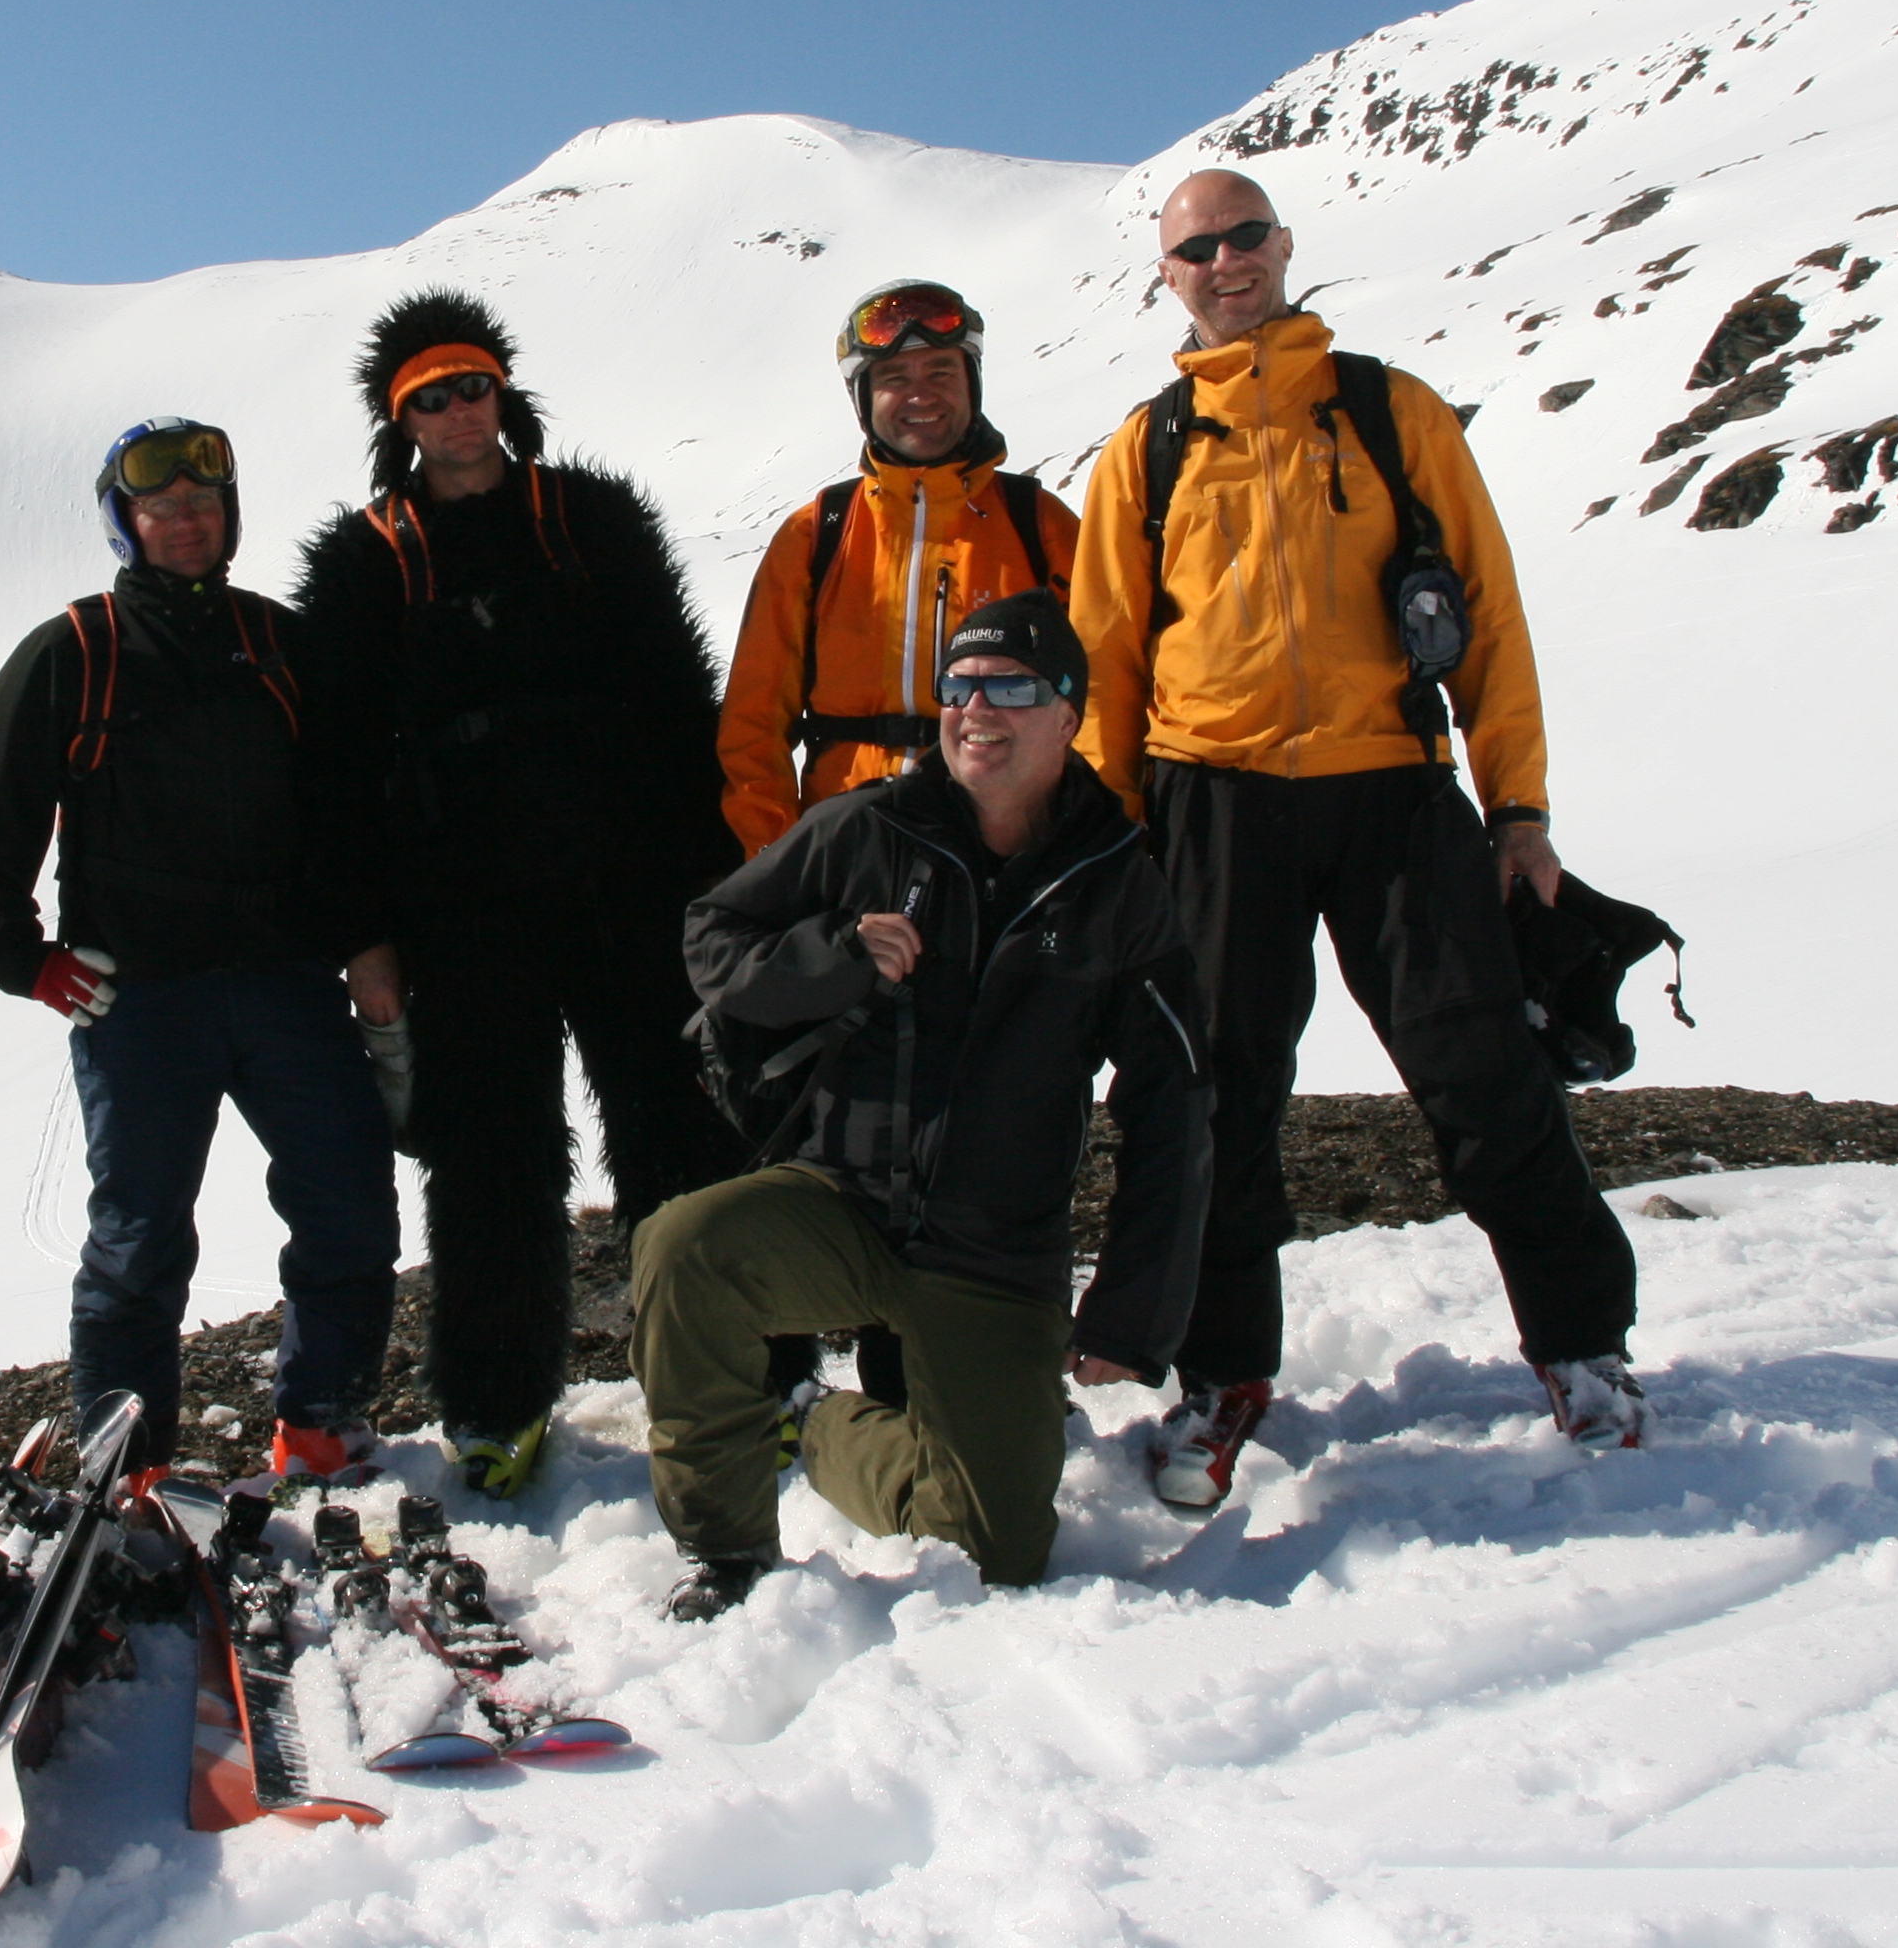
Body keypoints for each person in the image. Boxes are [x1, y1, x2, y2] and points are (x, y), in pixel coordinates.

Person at [1063, 168, 1646, 1510]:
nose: (1226, 262)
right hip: (1210, 798)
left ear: (1283, 245)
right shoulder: (1146, 449)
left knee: (1487, 1077)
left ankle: (1583, 1347)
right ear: (1170, 278)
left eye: (1244, 236)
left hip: (1394, 784)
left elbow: (1489, 616)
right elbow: (1105, 666)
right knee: (1215, 1100)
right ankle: (1223, 1379)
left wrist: (1518, 812)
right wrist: (1115, 847)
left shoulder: (1392, 412)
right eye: (1196, 248)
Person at [639, 594, 1210, 1617]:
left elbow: (1171, 1105)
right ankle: (725, 1552)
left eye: (1011, 688)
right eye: (960, 686)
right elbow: (713, 938)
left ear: (1069, 713)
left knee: (1000, 1549)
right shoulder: (869, 828)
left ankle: (815, 1426)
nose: (976, 709)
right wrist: (832, 958)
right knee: (685, 1249)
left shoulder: (1117, 884)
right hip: (843, 1201)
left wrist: (1134, 1308)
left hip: (994, 1247)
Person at [290, 293, 748, 1498]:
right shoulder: (362, 565)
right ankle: (495, 1406)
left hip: (629, 881)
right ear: (400, 422)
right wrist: (366, 943)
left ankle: (728, 1374)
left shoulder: (591, 520)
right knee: (492, 1157)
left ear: (506, 393)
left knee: (676, 1125)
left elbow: (676, 694)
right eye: (427, 398)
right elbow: (332, 773)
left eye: (471, 384)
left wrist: (713, 882)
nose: (455, 411)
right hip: (458, 909)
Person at [0, 417, 401, 1481]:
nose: (187, 521)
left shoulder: (279, 642)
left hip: (287, 983)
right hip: (140, 1001)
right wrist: (22, 956)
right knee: (141, 1239)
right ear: (127, 525)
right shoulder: (75, 651)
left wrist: (368, 945)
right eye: (162, 508)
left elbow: (345, 812)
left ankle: (322, 1419)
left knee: (347, 1198)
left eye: (204, 503)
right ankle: (129, 1460)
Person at [715, 279, 1082, 858]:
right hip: (847, 848)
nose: (922, 395)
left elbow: (1103, 697)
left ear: (971, 383)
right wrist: (780, 862)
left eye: (941, 372)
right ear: (864, 397)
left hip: (1005, 843)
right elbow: (753, 726)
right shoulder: (816, 535)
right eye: (894, 379)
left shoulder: (1041, 526)